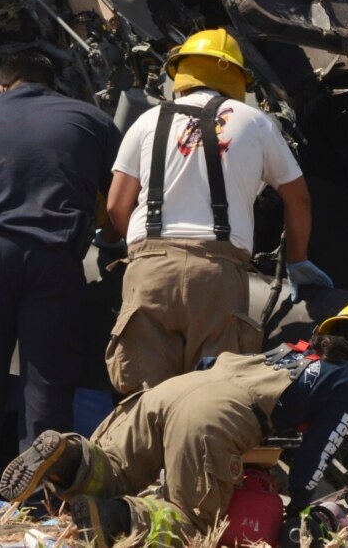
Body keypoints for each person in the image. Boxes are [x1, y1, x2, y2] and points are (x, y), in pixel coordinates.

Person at [0, 301, 348, 547]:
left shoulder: (290, 351)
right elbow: (321, 448)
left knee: (117, 470)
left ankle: (67, 456)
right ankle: (115, 519)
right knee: (193, 522)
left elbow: (210, 367)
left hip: (176, 390)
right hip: (216, 415)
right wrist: (297, 503)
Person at [104, 27, 327, 395]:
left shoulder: (148, 120)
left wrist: (145, 251)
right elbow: (298, 198)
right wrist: (297, 260)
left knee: (141, 396)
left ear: (182, 71)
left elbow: (116, 204)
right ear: (237, 77)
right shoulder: (256, 123)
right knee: (205, 399)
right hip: (217, 275)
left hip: (150, 269)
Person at [0, 51, 121, 487]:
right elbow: (118, 195)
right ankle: (41, 492)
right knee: (47, 381)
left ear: (4, 84)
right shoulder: (91, 119)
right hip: (56, 258)